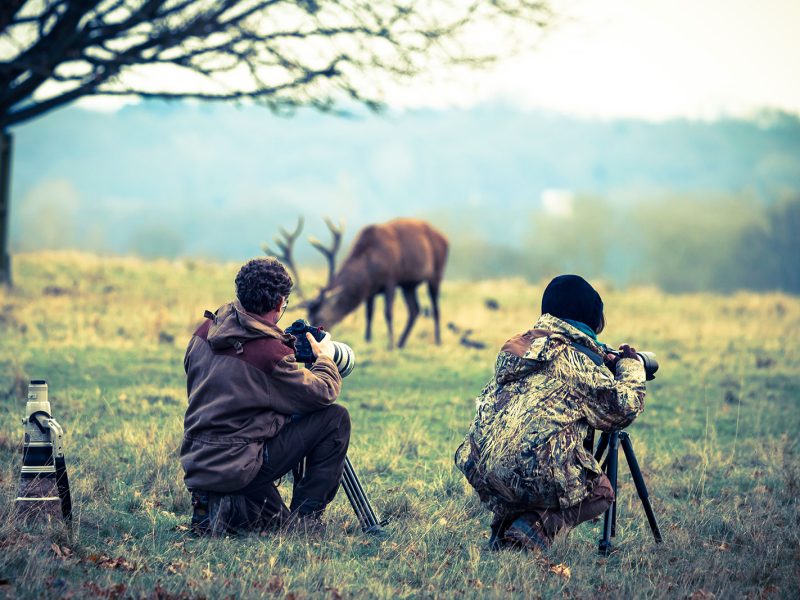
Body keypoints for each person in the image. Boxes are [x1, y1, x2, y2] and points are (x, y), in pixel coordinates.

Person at [454, 274, 647, 551]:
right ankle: (536, 528)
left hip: (480, 468)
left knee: (524, 460)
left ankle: (504, 528)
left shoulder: (519, 350)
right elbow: (624, 408)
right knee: (600, 491)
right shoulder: (577, 363)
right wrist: (630, 365)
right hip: (530, 474)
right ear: (591, 318)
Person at [180, 257, 350, 534]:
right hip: (240, 465)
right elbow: (324, 392)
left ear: (240, 293)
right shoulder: (271, 354)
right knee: (335, 418)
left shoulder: (202, 332)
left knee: (273, 524)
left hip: (198, 462)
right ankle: (307, 520)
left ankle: (216, 505)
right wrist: (326, 359)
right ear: (281, 302)